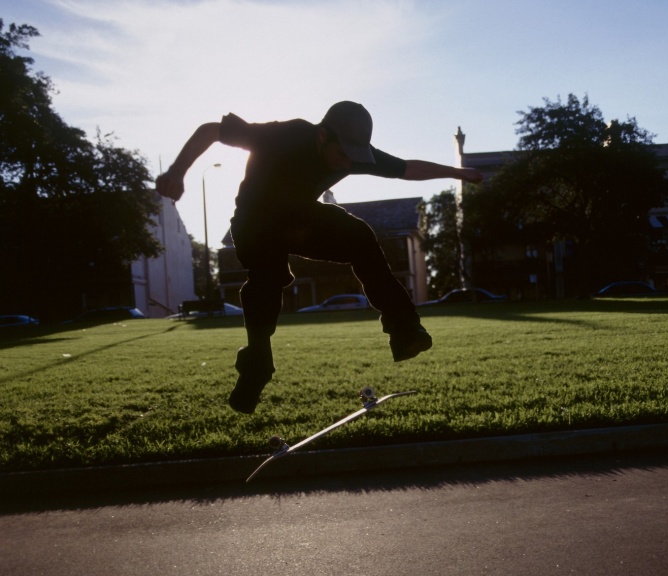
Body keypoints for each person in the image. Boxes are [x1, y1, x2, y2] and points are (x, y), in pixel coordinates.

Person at [156, 101, 483, 413]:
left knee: (360, 237)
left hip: (299, 219)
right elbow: (212, 130)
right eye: (341, 154)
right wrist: (177, 171)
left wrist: (458, 173)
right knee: (268, 276)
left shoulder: (352, 154)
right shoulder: (288, 135)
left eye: (351, 158)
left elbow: (407, 168)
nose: (345, 164)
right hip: (253, 221)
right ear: (323, 135)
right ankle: (257, 363)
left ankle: (405, 330)